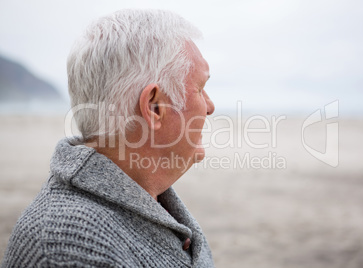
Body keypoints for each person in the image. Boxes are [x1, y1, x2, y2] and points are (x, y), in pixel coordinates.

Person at [1, 9, 215, 267]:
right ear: (155, 106)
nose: (210, 106)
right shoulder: (69, 250)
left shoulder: (151, 199)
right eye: (201, 89)